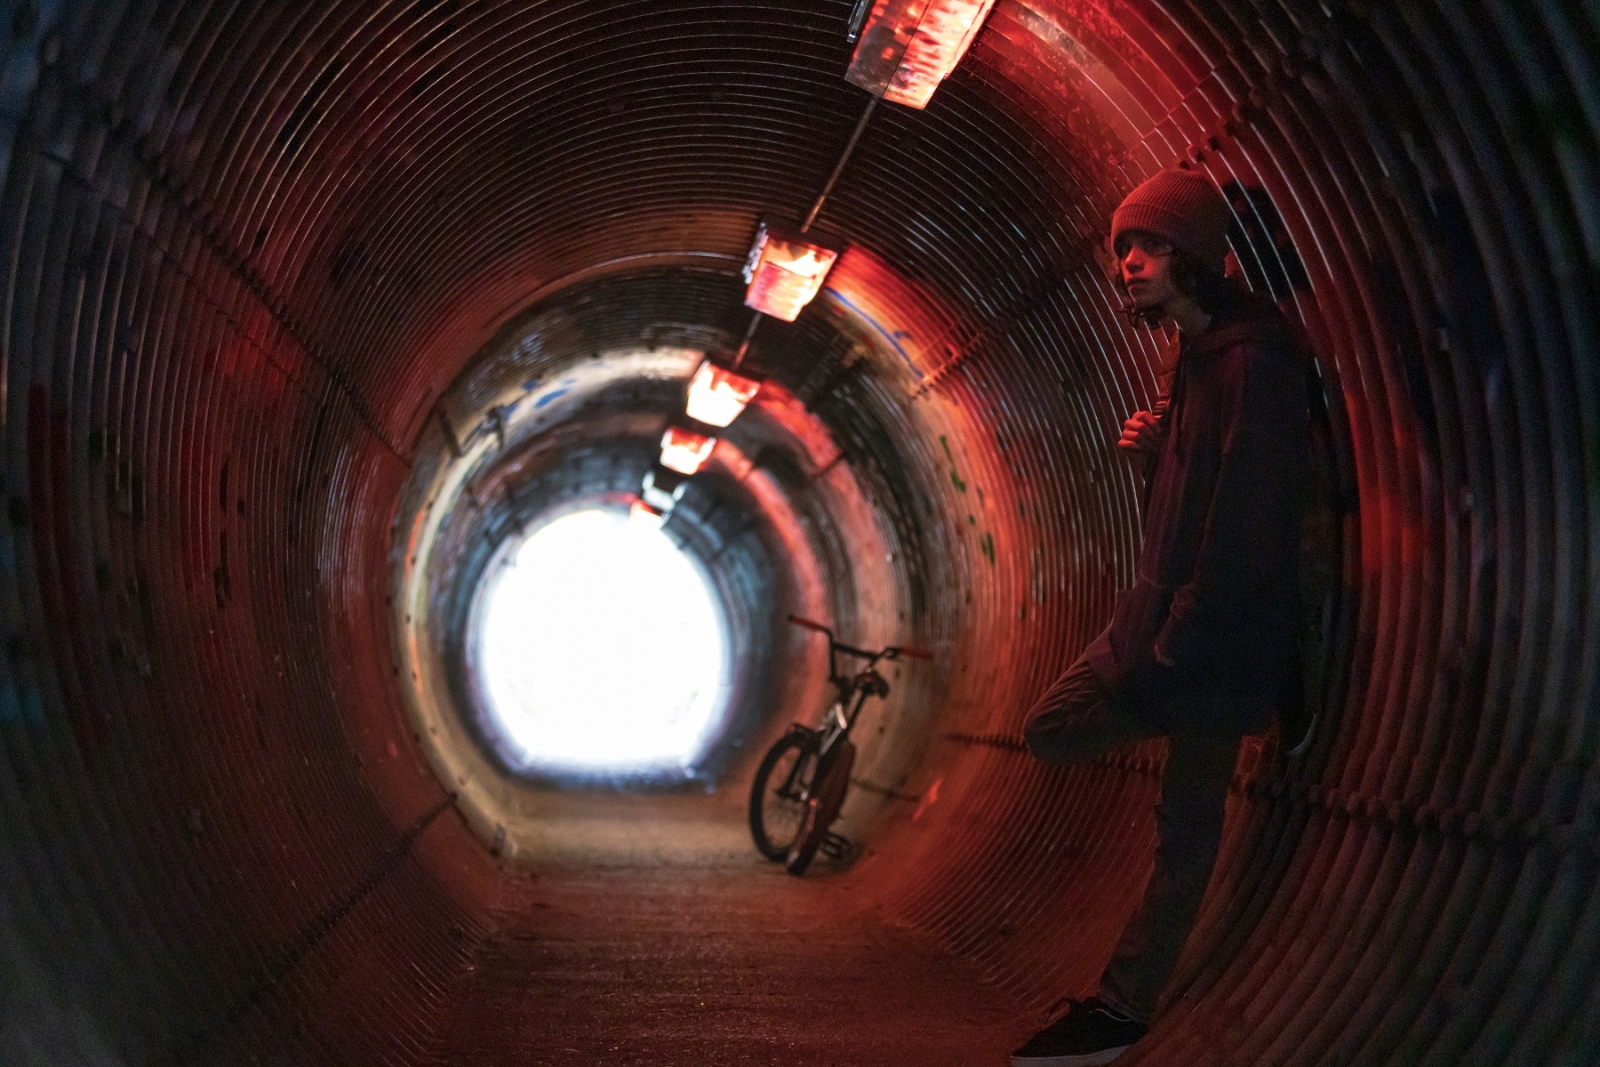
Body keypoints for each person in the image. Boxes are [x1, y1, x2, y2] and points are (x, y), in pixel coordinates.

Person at [1009, 168, 1311, 1066]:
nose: (1129, 263)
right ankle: (1225, 704)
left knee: (1186, 828)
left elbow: (1248, 521)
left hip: (1214, 641)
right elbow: (1184, 510)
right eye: (1123, 250)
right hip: (1163, 630)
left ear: (1193, 252)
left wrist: (1183, 639)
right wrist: (1153, 458)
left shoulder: (1255, 361)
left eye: (1148, 245)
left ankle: (1122, 1009)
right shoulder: (1194, 358)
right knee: (1051, 728)